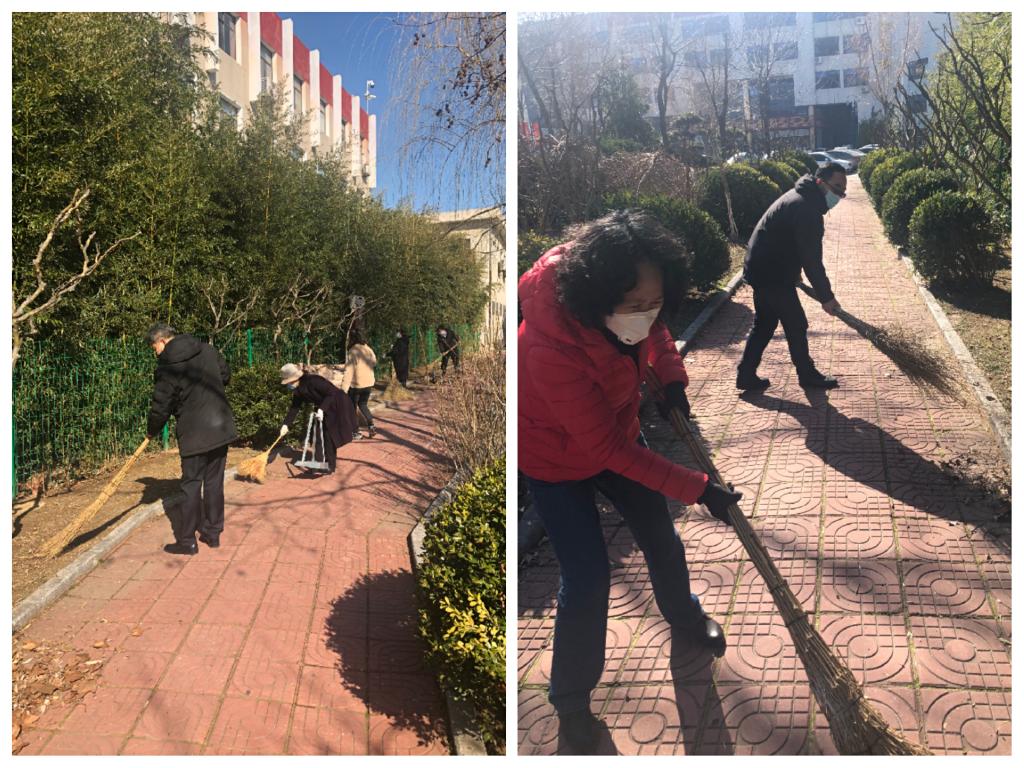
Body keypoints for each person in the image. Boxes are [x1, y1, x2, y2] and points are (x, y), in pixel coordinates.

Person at [518, 209, 742, 753]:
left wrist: (672, 379)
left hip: (614, 432)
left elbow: (655, 332)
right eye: (635, 305)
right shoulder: (547, 345)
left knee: (661, 537)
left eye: (654, 301)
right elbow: (606, 452)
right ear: (597, 296)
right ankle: (571, 701)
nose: (647, 313)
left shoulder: (634, 308)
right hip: (553, 463)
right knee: (587, 579)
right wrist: (698, 488)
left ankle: (686, 619)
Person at [736, 162, 847, 391]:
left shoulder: (802, 197)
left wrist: (794, 274)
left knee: (765, 324)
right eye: (836, 188)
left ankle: (746, 375)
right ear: (820, 182)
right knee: (796, 323)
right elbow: (811, 260)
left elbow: (790, 243)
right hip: (771, 273)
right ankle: (807, 375)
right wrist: (826, 297)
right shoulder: (807, 209)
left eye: (842, 191)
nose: (838, 195)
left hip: (762, 268)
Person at [145, 323, 237, 555]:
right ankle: (213, 533)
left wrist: (151, 430)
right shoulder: (207, 349)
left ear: (162, 341)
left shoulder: (167, 366)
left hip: (194, 432)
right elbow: (225, 375)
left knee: (191, 485)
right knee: (214, 481)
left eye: (154, 347)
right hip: (220, 425)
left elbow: (161, 405)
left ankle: (187, 541)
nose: (155, 352)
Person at [278, 363, 356, 473]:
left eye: (288, 383)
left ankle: (329, 465)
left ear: (295, 379)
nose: (288, 385)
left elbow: (332, 393)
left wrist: (322, 409)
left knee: (329, 436)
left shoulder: (313, 381)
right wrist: (286, 425)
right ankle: (323, 464)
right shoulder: (298, 390)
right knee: (320, 435)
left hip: (337, 404)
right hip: (324, 406)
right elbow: (294, 408)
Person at [342, 330, 378, 438]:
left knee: (352, 408)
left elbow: (349, 371)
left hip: (357, 384)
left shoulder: (353, 351)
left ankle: (355, 432)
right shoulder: (368, 349)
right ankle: (371, 426)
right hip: (369, 383)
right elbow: (374, 362)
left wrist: (343, 389)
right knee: (363, 405)